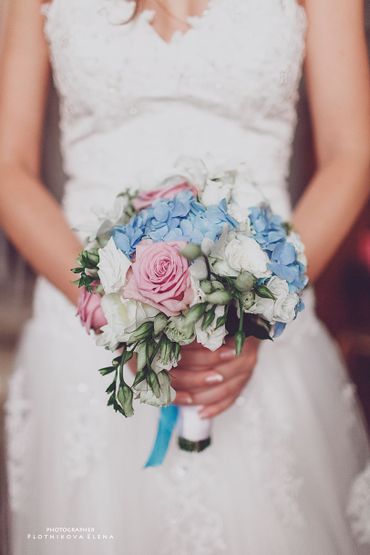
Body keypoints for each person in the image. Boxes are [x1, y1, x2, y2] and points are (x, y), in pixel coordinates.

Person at [0, 0, 369, 553]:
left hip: (259, 329)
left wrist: (257, 312)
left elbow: (352, 153)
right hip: (85, 337)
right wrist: (116, 310)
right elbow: (9, 168)